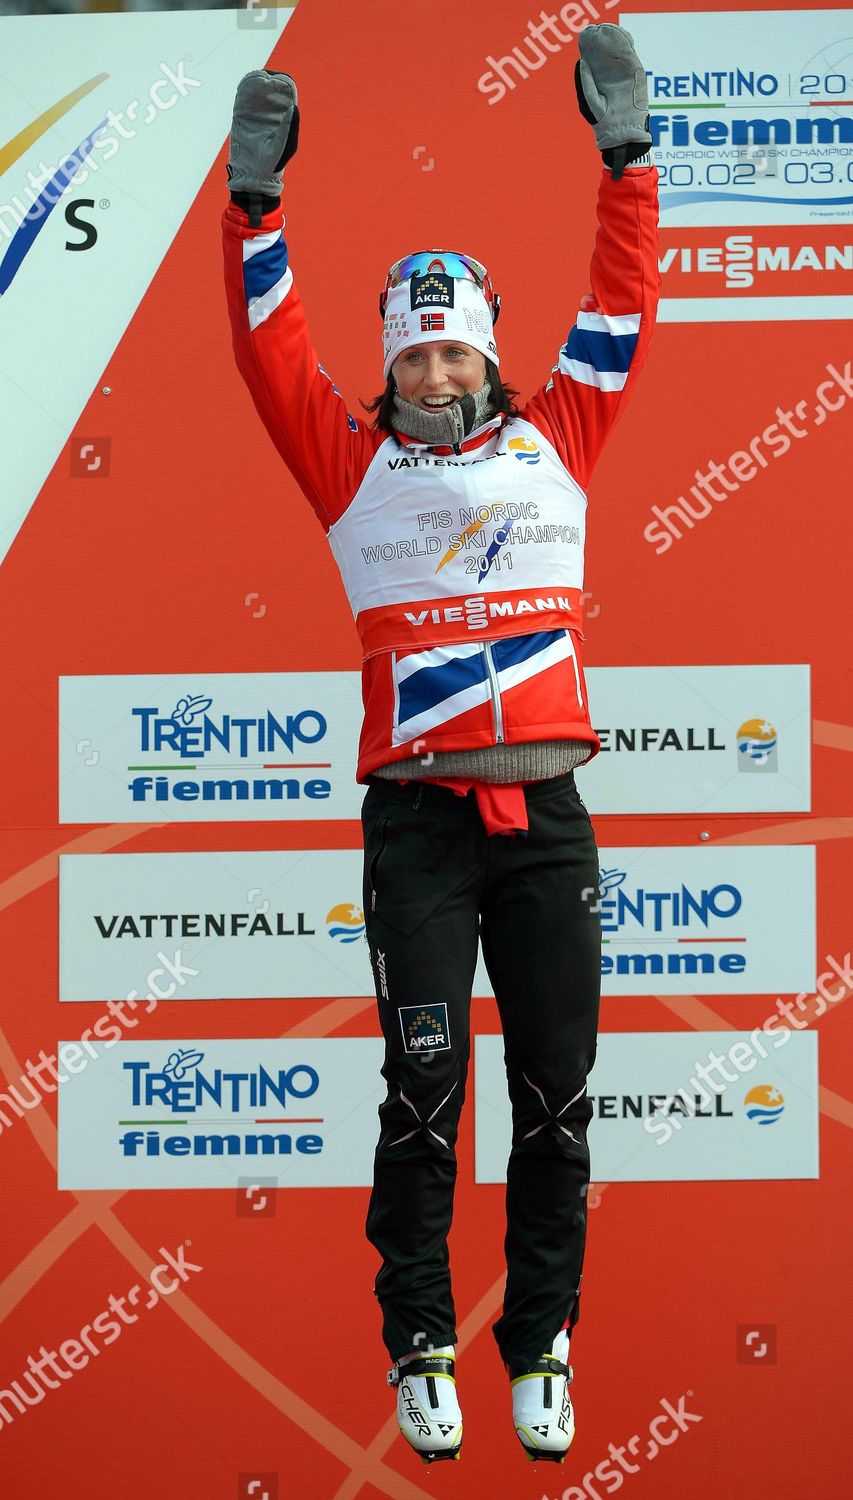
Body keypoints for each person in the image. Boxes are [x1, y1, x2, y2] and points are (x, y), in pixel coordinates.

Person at [222, 23, 658, 1466]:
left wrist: (627, 160)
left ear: (484, 343)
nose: (429, 370)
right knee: (420, 1095)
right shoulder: (349, 462)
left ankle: (539, 1343)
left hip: (549, 823)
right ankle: (420, 1341)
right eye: (410, 351)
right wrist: (253, 208)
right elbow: (268, 346)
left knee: (556, 1099)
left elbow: (622, 298)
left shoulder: (563, 436)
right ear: (391, 362)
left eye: (452, 344)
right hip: (414, 821)